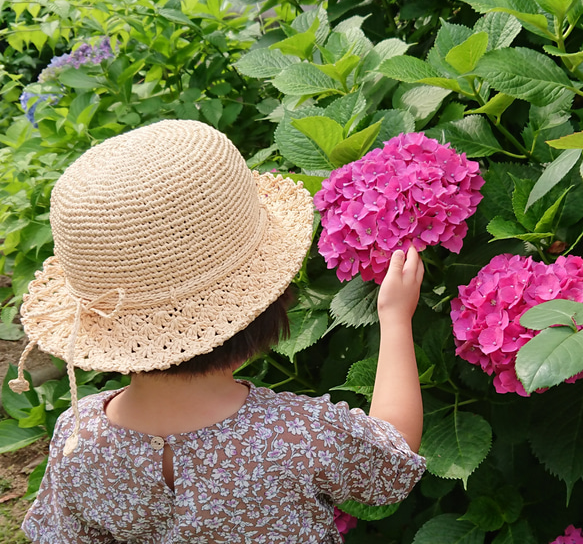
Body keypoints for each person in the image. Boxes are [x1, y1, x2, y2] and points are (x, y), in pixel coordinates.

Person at [9, 120, 426, 544]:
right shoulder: (297, 434)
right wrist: (394, 318)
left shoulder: (77, 438)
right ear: (263, 304)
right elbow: (392, 462)